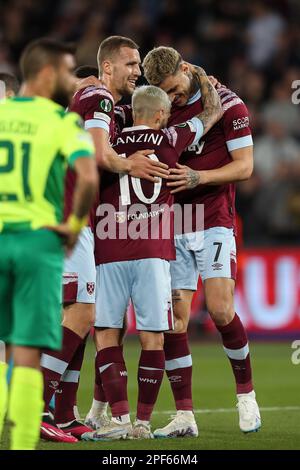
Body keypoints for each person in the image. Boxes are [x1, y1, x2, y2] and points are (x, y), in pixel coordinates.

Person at [82, 65, 222, 441]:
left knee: (107, 335)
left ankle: (120, 420)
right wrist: (205, 81)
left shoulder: (109, 139)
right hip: (154, 254)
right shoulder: (171, 138)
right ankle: (143, 423)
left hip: (108, 249)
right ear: (161, 115)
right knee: (153, 338)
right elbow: (211, 115)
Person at [40, 36, 169, 440]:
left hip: (73, 215)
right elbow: (99, 153)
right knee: (83, 313)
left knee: (78, 312)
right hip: (67, 212)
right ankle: (32, 407)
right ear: (107, 67)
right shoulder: (98, 97)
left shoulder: (100, 102)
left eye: (139, 65)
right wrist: (129, 164)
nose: (137, 71)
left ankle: (63, 415)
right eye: (130, 64)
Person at [142, 46, 261, 437]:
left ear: (187, 69)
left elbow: (244, 168)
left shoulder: (230, 106)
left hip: (213, 220)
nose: (171, 100)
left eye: (175, 91)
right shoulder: (159, 107)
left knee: (220, 309)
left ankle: (246, 395)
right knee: (174, 321)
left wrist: (198, 178)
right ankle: (184, 416)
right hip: (174, 221)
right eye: (164, 93)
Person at [0, 38, 98, 450]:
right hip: (37, 243)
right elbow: (89, 177)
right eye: (66, 71)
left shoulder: (1, 114)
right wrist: (74, 225)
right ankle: (20, 444)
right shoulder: (61, 121)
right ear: (45, 73)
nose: (71, 80)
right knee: (24, 353)